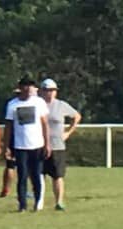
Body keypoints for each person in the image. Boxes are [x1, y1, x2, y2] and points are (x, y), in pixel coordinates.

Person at [4, 77, 50, 212]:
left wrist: (47, 144)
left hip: (37, 145)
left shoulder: (39, 102)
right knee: (22, 176)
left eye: (31, 86)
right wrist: (6, 146)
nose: (29, 89)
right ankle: (22, 204)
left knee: (36, 175)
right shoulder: (13, 104)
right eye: (26, 86)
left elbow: (44, 124)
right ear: (21, 87)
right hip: (20, 146)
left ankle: (37, 202)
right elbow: (9, 127)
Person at [39, 78, 81, 211]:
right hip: (39, 145)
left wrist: (68, 132)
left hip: (57, 146)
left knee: (57, 175)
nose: (49, 93)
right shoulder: (37, 105)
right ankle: (38, 202)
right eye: (46, 90)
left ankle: (59, 202)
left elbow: (77, 116)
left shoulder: (61, 105)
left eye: (52, 90)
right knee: (39, 175)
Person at [0, 84, 20, 199]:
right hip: (24, 139)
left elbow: (8, 125)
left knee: (10, 165)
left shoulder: (11, 104)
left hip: (13, 138)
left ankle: (6, 189)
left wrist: (5, 144)